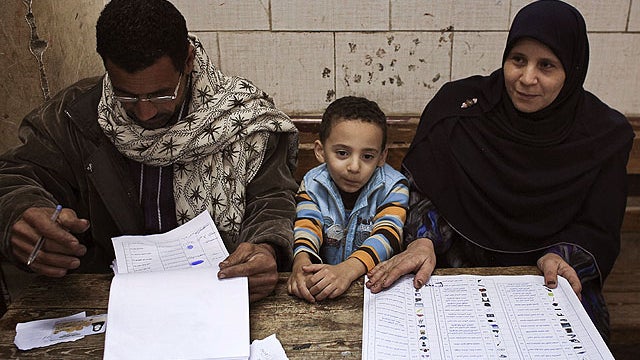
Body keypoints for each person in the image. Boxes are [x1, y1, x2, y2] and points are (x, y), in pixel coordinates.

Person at [366, 0, 634, 342]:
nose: (526, 78)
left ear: (573, 71)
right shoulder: (458, 110)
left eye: (547, 65)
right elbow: (427, 193)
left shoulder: (602, 135)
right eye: (518, 60)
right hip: (458, 268)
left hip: (546, 277)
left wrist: (562, 255)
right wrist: (423, 241)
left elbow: (598, 225)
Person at [0, 0, 298, 302]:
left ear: (188, 61)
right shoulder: (74, 116)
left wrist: (265, 246)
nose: (144, 113)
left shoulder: (244, 118)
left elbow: (271, 199)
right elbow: (16, 176)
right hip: (104, 298)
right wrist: (18, 214)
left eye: (160, 94)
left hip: (218, 293)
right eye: (126, 96)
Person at [287, 96, 409, 302]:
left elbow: (388, 234)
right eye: (342, 153)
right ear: (320, 151)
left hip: (377, 291)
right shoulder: (312, 183)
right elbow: (307, 225)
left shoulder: (393, 186)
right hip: (325, 289)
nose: (354, 167)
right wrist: (301, 262)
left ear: (382, 156)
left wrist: (347, 270)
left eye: (367, 156)